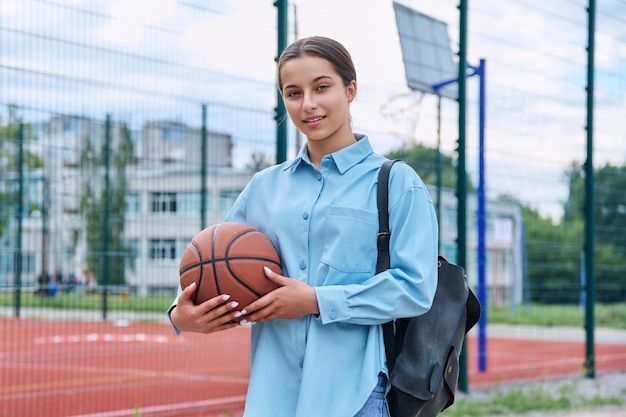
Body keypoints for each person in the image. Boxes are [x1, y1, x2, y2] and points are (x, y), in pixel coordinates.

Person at [169, 36, 438, 417]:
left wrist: (315, 300)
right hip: (270, 398)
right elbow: (210, 262)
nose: (308, 104)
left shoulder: (396, 183)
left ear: (350, 89)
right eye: (293, 93)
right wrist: (183, 314)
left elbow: (414, 288)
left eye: (322, 87)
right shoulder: (263, 188)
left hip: (355, 397)